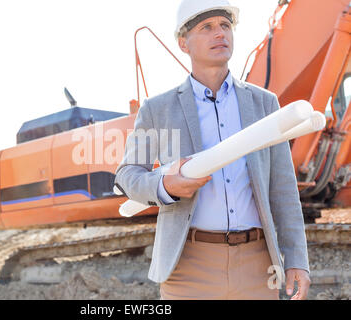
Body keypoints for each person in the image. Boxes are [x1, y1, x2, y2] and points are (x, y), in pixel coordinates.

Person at [114, 0, 311, 300]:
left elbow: (283, 190)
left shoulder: (265, 104)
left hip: (258, 265)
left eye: (225, 25)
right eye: (206, 27)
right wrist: (165, 184)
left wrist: (297, 259)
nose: (219, 33)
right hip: (188, 265)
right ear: (183, 43)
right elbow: (127, 175)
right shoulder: (158, 109)